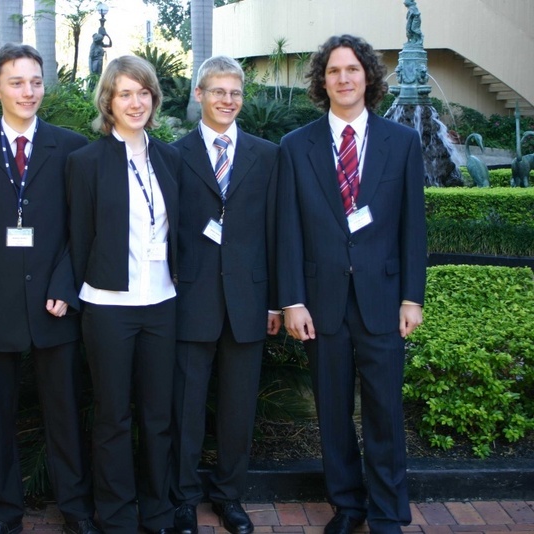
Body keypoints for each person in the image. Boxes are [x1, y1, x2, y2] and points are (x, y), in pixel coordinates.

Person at [277, 35, 426, 534]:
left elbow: (413, 227)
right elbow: (289, 230)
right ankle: (347, 506)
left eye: (353, 69)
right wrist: (293, 300)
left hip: (383, 302)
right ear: (323, 80)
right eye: (334, 71)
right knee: (333, 411)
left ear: (368, 78)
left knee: (384, 411)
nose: (344, 78)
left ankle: (386, 512)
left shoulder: (402, 142)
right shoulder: (295, 147)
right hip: (321, 305)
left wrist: (412, 296)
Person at [0, 43, 97, 534]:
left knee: (65, 416)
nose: (28, 91)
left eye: (35, 81)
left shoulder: (73, 148)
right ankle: (2, 511)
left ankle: (76, 509)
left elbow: (83, 229)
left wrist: (66, 285)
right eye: (16, 82)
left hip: (55, 305)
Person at [66, 55, 180, 534]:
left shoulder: (170, 158)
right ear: (108, 102)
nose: (136, 102)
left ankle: (158, 512)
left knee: (158, 416)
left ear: (153, 99)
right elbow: (75, 237)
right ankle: (115, 516)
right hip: (109, 307)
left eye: (143, 92)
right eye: (125, 93)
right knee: (113, 417)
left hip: (163, 303)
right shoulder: (86, 162)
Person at [170, 56, 280, 534]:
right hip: (190, 300)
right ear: (199, 95)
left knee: (238, 409)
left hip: (249, 303)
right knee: (185, 408)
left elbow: (277, 232)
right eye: (218, 91)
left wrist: (277, 300)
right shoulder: (173, 154)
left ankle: (230, 496)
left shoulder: (268, 155)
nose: (227, 100)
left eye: (235, 93)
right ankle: (182, 498)